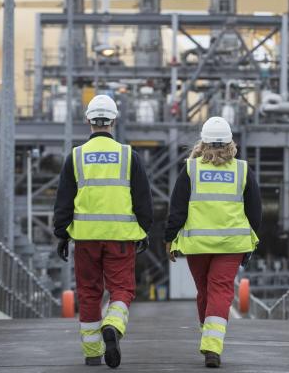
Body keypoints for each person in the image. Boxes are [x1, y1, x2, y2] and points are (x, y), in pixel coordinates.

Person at [53, 94, 153, 368]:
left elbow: (64, 199)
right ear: (114, 120)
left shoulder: (75, 156)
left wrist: (61, 233)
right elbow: (142, 198)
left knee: (88, 292)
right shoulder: (128, 155)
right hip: (120, 238)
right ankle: (113, 324)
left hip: (85, 238)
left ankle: (92, 352)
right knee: (122, 289)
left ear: (88, 120)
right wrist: (144, 230)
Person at [164, 116, 262, 368]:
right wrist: (251, 242)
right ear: (230, 143)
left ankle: (209, 340)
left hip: (197, 246)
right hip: (231, 245)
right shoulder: (242, 170)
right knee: (220, 291)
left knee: (205, 292)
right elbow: (255, 211)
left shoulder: (190, 169)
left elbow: (177, 209)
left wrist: (169, 239)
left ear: (203, 143)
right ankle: (212, 344)